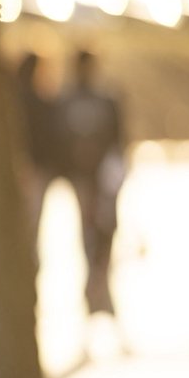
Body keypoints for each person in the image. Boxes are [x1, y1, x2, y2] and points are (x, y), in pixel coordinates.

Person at [54, 49, 126, 318]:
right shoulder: (67, 101)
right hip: (83, 182)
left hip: (104, 182)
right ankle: (95, 293)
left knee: (106, 232)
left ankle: (100, 290)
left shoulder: (106, 100)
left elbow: (119, 142)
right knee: (88, 236)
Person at [15, 51, 62, 260]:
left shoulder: (13, 98)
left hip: (28, 168)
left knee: (25, 222)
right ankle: (27, 261)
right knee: (31, 222)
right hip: (32, 169)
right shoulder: (35, 102)